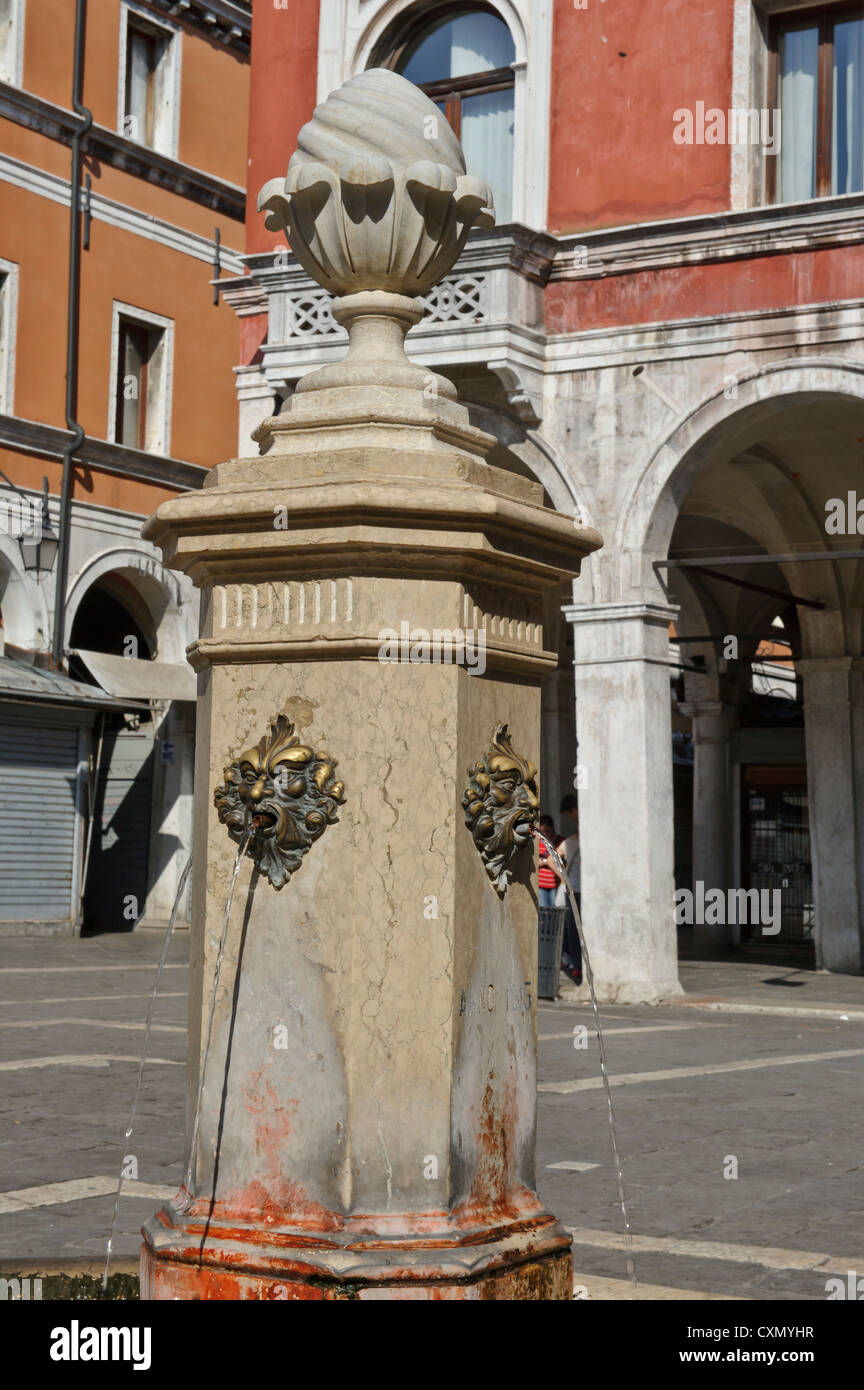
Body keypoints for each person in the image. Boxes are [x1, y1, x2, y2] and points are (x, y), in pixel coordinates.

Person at [556, 794, 582, 985]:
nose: (570, 818)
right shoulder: (574, 840)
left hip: (573, 890)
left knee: (574, 930)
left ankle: (576, 966)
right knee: (576, 930)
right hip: (579, 890)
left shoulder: (571, 841)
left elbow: (551, 859)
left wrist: (563, 879)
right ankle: (577, 965)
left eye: (568, 814)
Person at [537, 814, 559, 907]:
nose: (545, 834)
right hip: (541, 885)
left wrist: (544, 861)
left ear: (552, 828)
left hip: (556, 885)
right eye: (542, 832)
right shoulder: (537, 843)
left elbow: (562, 861)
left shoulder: (560, 841)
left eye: (547, 831)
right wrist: (549, 862)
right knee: (544, 913)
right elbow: (536, 862)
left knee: (557, 912)